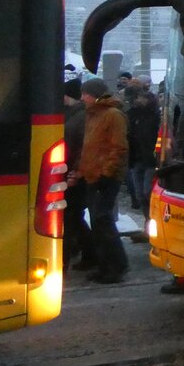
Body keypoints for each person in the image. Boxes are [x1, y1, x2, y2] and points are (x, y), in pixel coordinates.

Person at [77, 78, 130, 283]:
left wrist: (106, 174)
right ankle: (105, 265)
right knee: (99, 222)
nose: (82, 97)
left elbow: (118, 148)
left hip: (104, 178)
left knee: (102, 221)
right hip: (93, 175)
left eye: (85, 93)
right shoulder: (94, 115)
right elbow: (89, 147)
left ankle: (116, 266)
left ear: (96, 94)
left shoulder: (112, 115)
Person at [62, 76, 94, 272]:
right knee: (73, 216)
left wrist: (75, 170)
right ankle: (90, 253)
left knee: (72, 216)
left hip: (76, 173)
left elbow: (83, 147)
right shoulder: (74, 114)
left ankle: (91, 253)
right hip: (72, 170)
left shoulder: (79, 117)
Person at [126, 75, 161, 211]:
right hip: (137, 158)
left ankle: (151, 220)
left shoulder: (154, 114)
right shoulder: (132, 114)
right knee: (140, 194)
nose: (134, 101)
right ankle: (148, 222)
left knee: (147, 192)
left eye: (136, 98)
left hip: (150, 158)